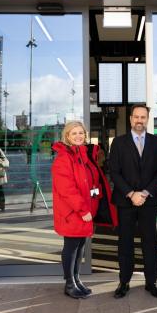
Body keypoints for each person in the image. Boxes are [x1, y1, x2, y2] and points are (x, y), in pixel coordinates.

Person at [52, 121, 117, 299]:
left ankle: (76, 279)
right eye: (74, 134)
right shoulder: (63, 159)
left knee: (80, 246)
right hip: (73, 213)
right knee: (71, 247)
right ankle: (69, 283)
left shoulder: (85, 156)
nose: (78, 136)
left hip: (86, 211)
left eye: (81, 133)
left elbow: (93, 183)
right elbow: (67, 190)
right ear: (67, 137)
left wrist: (95, 201)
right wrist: (82, 209)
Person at [109, 105, 157, 299]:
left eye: (143, 117)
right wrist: (131, 193)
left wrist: (145, 192)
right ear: (131, 119)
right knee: (125, 242)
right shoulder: (118, 142)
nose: (139, 120)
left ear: (148, 119)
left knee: (150, 243)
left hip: (148, 201)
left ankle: (151, 282)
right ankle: (124, 282)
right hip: (125, 201)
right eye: (136, 117)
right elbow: (114, 172)